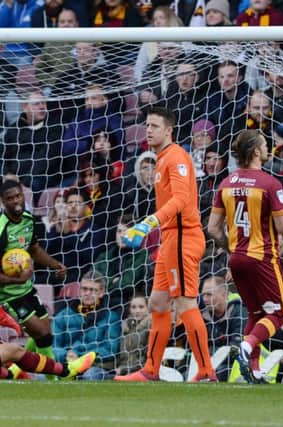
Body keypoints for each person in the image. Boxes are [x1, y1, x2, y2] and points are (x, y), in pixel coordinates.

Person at [115, 106, 215, 382]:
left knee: (185, 303)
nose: (148, 129)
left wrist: (148, 223)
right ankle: (150, 370)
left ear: (169, 130)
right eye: (147, 125)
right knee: (158, 302)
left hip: (184, 235)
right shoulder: (161, 159)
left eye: (155, 126)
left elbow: (182, 199)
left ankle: (206, 370)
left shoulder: (177, 157)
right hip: (171, 238)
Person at [207, 129, 283, 384]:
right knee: (276, 315)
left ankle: (254, 370)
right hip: (263, 257)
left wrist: (232, 248)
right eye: (265, 145)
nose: (268, 148)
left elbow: (212, 228)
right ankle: (246, 345)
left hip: (237, 260)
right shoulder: (270, 184)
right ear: (256, 151)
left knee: (255, 314)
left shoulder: (226, 183)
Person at [0, 180, 67, 372]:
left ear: (23, 195)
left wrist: (55, 264)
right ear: (3, 202)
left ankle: (15, 370)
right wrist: (17, 279)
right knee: (44, 334)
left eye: (18, 196)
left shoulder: (30, 219)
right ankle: (54, 376)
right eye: (10, 198)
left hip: (25, 288)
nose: (16, 201)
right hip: (6, 294)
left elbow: (34, 250)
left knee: (44, 330)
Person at [52, 271, 121, 380]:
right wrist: (65, 355)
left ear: (101, 292)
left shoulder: (111, 318)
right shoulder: (63, 315)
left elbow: (111, 349)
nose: (87, 293)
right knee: (41, 376)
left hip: (95, 366)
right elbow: (53, 345)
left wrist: (80, 357)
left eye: (93, 290)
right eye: (84, 289)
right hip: (66, 363)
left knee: (90, 376)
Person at [201, 275, 246, 381]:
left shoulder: (240, 313)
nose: (205, 299)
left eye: (209, 295)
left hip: (232, 366)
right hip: (208, 364)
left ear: (224, 295)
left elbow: (236, 349)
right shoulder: (202, 315)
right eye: (203, 295)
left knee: (220, 372)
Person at [114, 294, 151, 376]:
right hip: (124, 370)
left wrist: (124, 369)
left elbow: (146, 358)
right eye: (133, 307)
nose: (137, 311)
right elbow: (122, 356)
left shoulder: (150, 327)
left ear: (148, 308)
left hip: (141, 371)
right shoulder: (126, 327)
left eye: (141, 307)